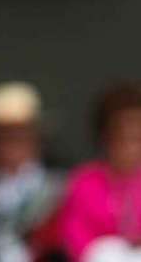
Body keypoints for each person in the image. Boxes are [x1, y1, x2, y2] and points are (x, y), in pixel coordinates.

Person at [0, 82, 65, 262]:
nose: (10, 146)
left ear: (36, 138)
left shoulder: (61, 187)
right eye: (0, 138)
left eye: (19, 136)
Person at [58, 82, 141, 262]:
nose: (130, 147)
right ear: (105, 138)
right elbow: (75, 237)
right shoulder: (84, 181)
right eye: (123, 138)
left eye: (137, 139)